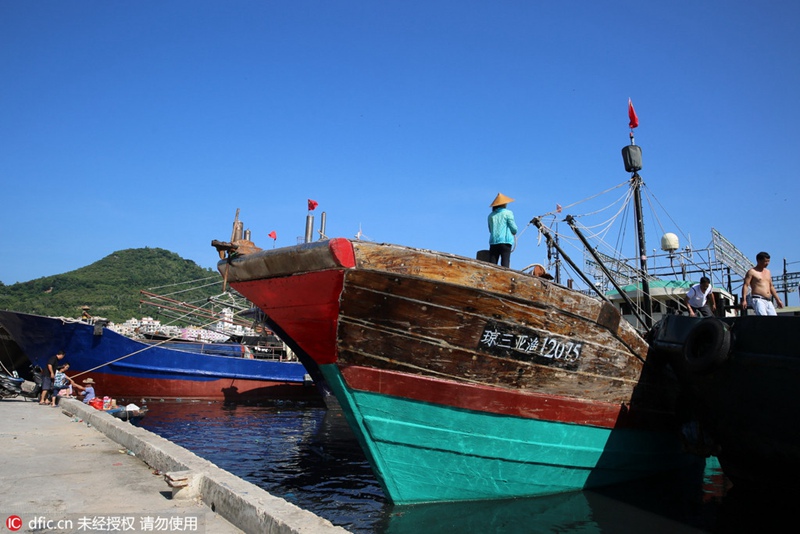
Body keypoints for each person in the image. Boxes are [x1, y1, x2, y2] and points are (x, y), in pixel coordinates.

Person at [741, 251, 784, 316]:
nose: (767, 263)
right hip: (758, 299)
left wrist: (777, 300)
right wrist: (744, 300)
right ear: (759, 260)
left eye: (768, 261)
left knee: (774, 319)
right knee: (763, 317)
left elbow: (771, 286)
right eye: (765, 261)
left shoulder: (768, 272)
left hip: (768, 300)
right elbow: (745, 285)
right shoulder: (752, 272)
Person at [487, 192, 518, 268]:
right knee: (505, 263)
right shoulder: (508, 213)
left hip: (493, 242)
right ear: (504, 204)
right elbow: (514, 229)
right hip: (505, 242)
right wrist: (514, 231)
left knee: (492, 264)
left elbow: (490, 230)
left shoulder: (490, 216)